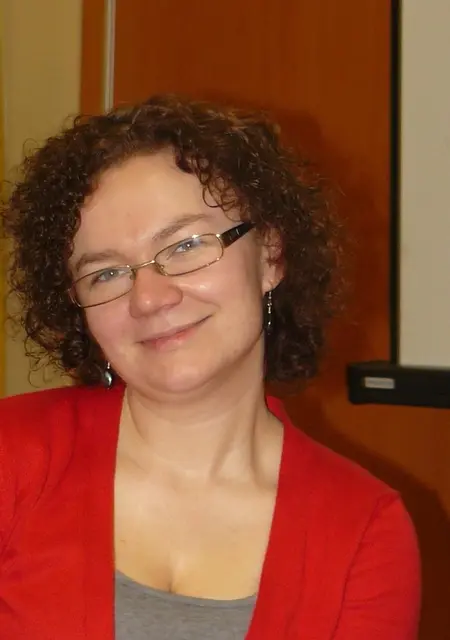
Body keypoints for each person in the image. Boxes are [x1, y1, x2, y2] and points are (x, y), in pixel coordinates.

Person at [0, 94, 420, 640]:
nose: (148, 297)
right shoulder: (13, 454)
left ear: (270, 255)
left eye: (186, 245)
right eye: (105, 273)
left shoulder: (366, 529)